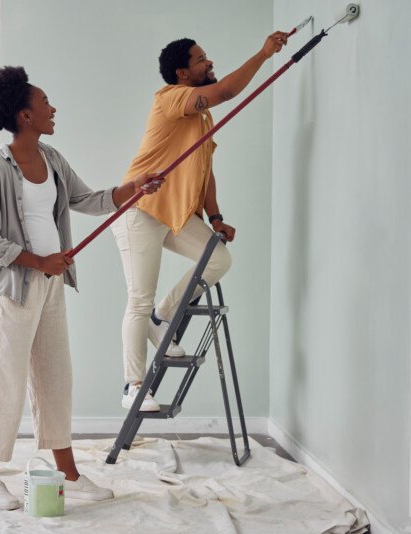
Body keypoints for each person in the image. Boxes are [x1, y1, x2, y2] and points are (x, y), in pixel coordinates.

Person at [0, 66, 164, 510]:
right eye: (44, 103)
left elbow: (85, 200)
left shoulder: (52, 159)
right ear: (24, 115)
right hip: (10, 292)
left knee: (56, 378)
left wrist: (131, 190)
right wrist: (38, 260)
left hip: (51, 286)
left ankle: (67, 471)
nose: (52, 108)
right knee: (6, 384)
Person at [113, 32, 289, 412]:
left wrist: (216, 217)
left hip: (174, 213)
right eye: (201, 59)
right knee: (137, 298)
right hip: (141, 211)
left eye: (206, 57)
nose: (209, 63)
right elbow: (226, 91)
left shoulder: (201, 116)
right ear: (183, 74)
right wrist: (263, 54)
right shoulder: (170, 99)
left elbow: (205, 169)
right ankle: (133, 387)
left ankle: (163, 318)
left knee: (218, 260)